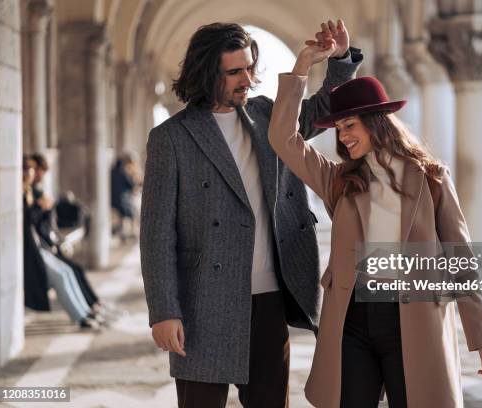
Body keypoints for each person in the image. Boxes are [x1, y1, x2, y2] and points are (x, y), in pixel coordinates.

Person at [140, 20, 362, 408]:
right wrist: (164, 311)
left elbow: (323, 109)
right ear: (207, 74)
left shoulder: (266, 115)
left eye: (248, 68)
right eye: (234, 72)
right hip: (202, 303)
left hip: (271, 297)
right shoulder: (171, 138)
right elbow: (157, 233)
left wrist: (335, 60)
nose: (247, 79)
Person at [268, 43, 482, 407]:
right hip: (353, 318)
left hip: (413, 319)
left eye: (349, 125)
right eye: (339, 128)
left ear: (376, 121)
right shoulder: (340, 180)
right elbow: (283, 139)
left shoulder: (432, 179)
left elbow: (460, 256)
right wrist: (301, 68)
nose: (342, 136)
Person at [22, 156, 101, 330]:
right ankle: (81, 317)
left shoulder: (30, 192)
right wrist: (41, 208)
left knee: (67, 271)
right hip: (29, 251)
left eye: (32, 170)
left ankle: (87, 310)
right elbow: (25, 223)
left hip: (39, 247)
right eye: (27, 170)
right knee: (61, 275)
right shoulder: (22, 193)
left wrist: (45, 209)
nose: (31, 173)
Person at [111, 152, 140, 241]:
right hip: (121, 201)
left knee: (126, 212)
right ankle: (133, 233)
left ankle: (122, 232)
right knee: (135, 209)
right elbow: (132, 186)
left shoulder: (111, 172)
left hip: (112, 201)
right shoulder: (123, 173)